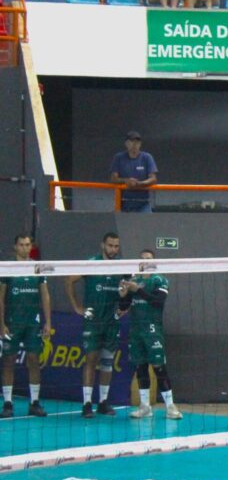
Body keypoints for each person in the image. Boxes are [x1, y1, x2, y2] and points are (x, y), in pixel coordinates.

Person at [66, 232, 125, 418]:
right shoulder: (92, 263)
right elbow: (68, 280)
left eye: (116, 246)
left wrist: (125, 307)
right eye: (110, 246)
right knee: (91, 359)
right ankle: (86, 404)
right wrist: (77, 306)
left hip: (111, 322)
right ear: (103, 245)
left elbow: (130, 289)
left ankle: (103, 402)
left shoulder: (122, 267)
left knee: (107, 362)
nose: (113, 250)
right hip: (93, 320)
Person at [120, 249, 180, 420]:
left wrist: (137, 290)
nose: (145, 262)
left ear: (154, 262)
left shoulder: (159, 280)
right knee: (140, 367)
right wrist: (123, 295)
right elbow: (124, 306)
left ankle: (171, 406)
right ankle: (144, 406)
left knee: (158, 366)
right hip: (136, 330)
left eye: (148, 259)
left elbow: (157, 301)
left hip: (153, 330)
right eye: (142, 259)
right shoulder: (134, 280)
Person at [0, 235, 49, 419]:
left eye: (27, 245)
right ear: (15, 247)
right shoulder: (8, 268)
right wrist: (1, 323)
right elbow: (1, 298)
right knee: (8, 361)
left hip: (32, 324)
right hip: (12, 324)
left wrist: (48, 322)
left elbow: (45, 296)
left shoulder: (37, 268)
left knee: (33, 360)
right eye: (21, 245)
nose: (25, 248)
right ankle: (7, 403)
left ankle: (34, 403)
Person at [109, 131, 158, 213]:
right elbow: (113, 178)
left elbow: (153, 179)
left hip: (143, 203)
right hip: (123, 203)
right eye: (132, 142)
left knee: (147, 224)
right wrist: (126, 181)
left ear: (140, 144)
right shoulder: (119, 157)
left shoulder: (147, 157)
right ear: (126, 143)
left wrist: (138, 183)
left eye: (137, 142)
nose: (135, 145)